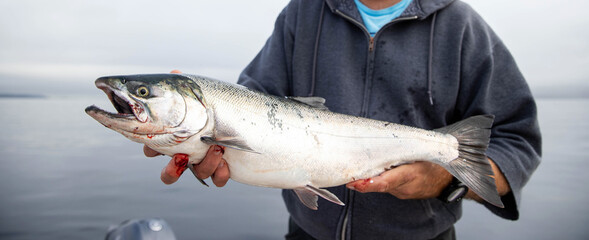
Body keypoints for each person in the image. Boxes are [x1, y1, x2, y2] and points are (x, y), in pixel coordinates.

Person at [145, 0, 542, 239]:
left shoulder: (463, 27)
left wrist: (443, 180)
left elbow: (516, 142)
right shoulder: (302, 14)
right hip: (308, 234)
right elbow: (251, 103)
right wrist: (198, 131)